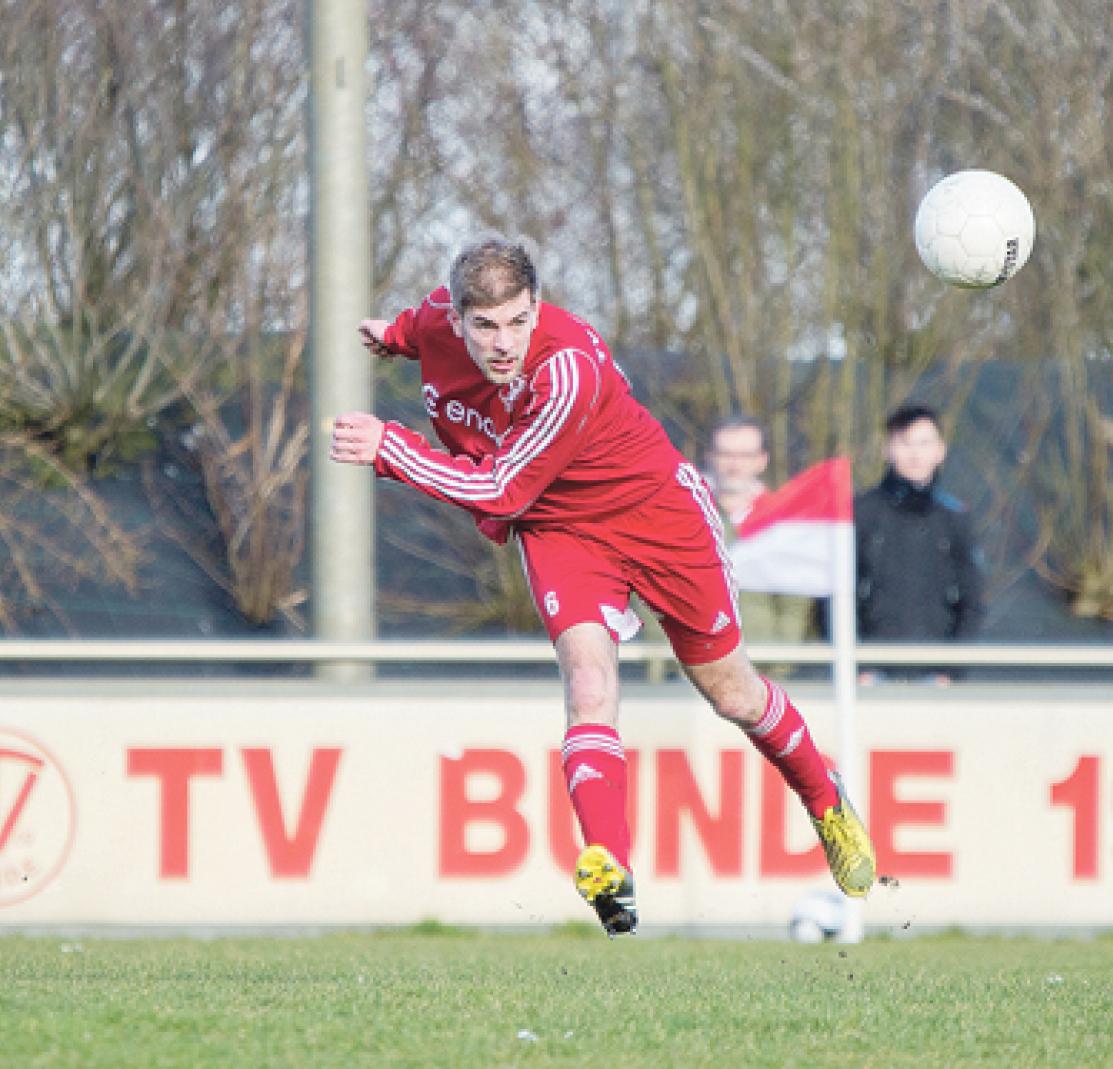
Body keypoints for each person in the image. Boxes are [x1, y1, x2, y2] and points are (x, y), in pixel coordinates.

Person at [329, 236, 875, 935]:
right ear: (458, 318)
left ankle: (825, 799)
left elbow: (499, 490)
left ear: (537, 306)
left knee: (732, 693)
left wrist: (392, 448)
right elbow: (420, 328)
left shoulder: (567, 371)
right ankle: (610, 865)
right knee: (588, 686)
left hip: (657, 517)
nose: (504, 343)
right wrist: (395, 336)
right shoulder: (437, 318)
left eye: (518, 321)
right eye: (485, 326)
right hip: (561, 530)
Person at [854, 403, 984, 684]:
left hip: (934, 674)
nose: (915, 454)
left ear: (940, 451)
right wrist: (856, 667)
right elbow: (836, 596)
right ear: (887, 449)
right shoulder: (861, 513)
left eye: (924, 443)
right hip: (871, 673)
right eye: (905, 443)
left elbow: (972, 600)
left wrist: (951, 672)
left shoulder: (954, 517)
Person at [703, 416, 814, 650]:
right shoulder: (683, 516)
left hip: (761, 658)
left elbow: (794, 603)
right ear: (710, 456)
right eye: (726, 454)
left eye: (745, 455)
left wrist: (783, 659)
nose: (734, 465)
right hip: (690, 658)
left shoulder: (782, 524)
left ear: (762, 460)